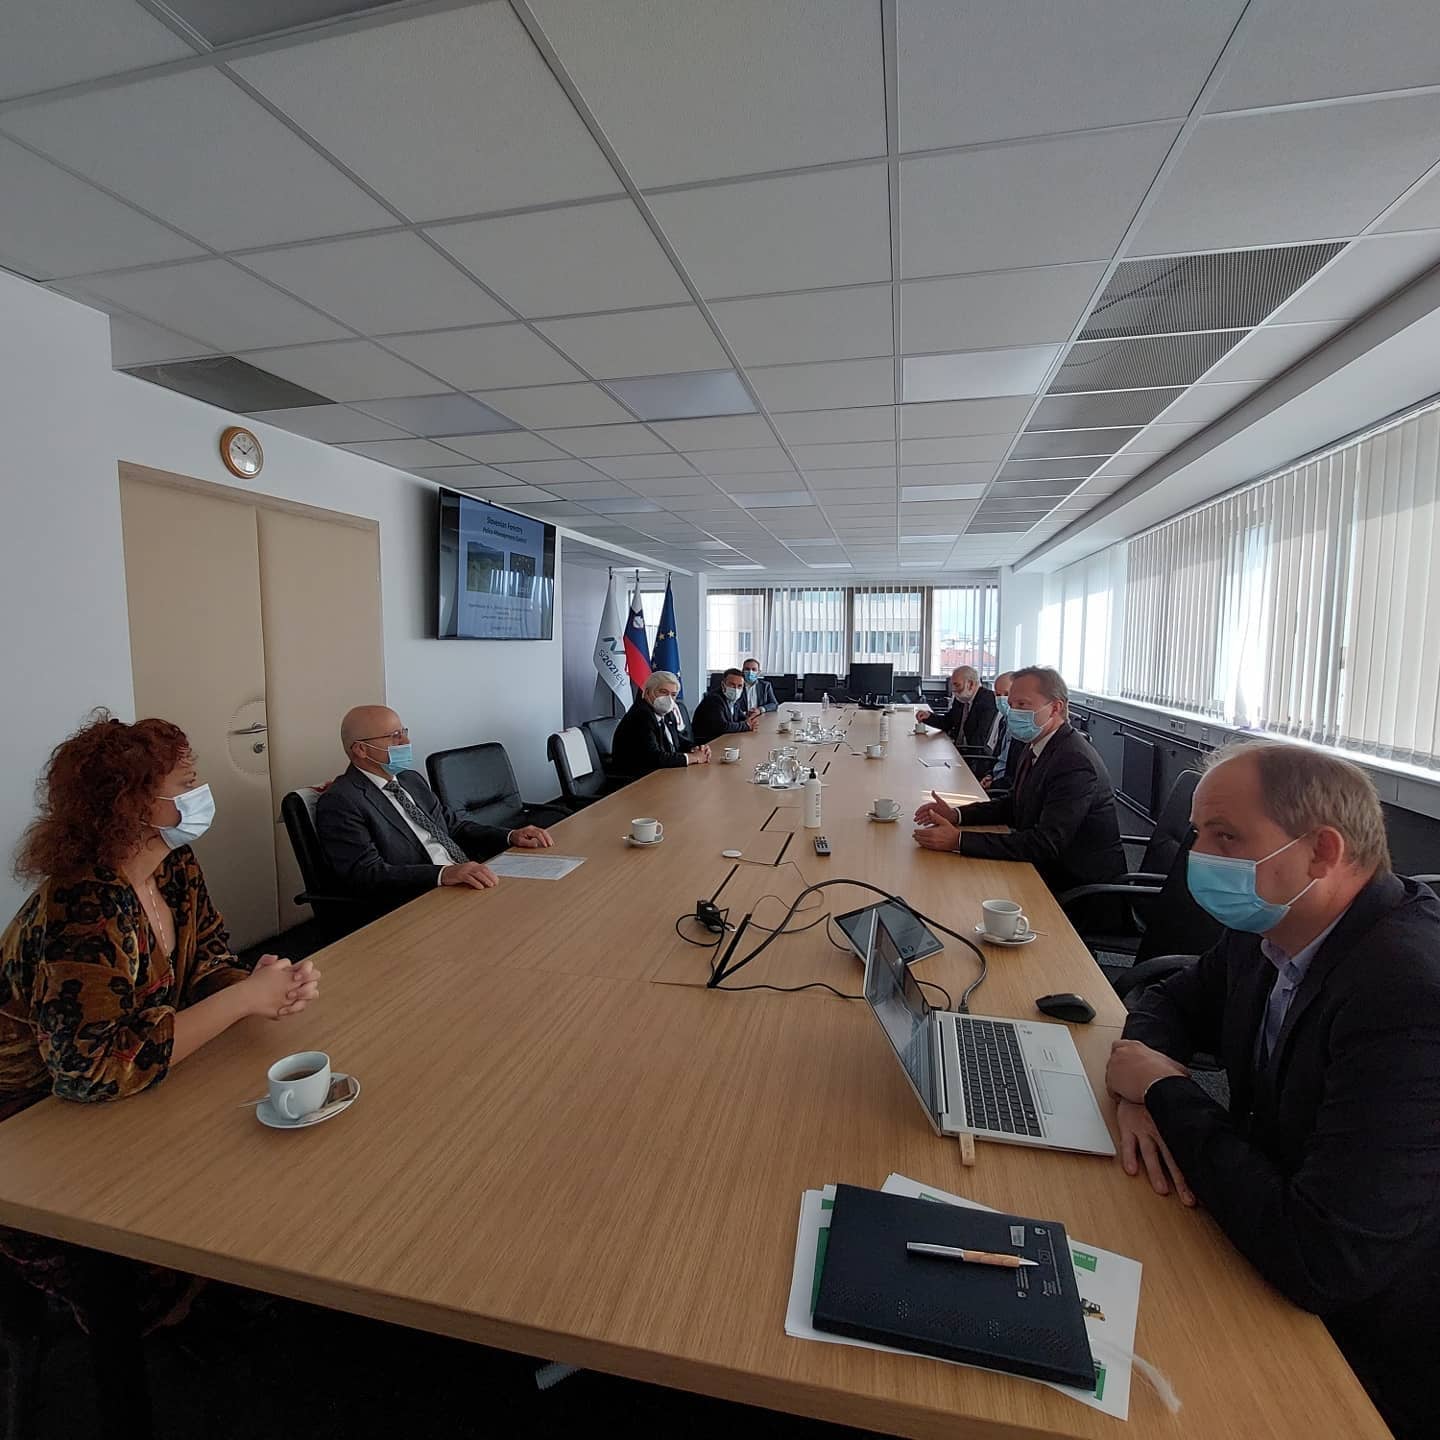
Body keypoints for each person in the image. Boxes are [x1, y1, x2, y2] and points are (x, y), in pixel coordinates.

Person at [1105, 742, 1440, 1440]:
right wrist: (1140, 1081)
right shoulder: (1275, 927)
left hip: (1364, 1351)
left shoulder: (1406, 994)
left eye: (1225, 837)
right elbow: (1171, 997)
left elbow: (1322, 1259)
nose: (1197, 856)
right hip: (1258, 1246)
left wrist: (1163, 1089)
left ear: (1322, 852)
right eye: (1198, 833)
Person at [0, 712, 321, 1327]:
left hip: (136, 1087)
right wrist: (240, 1002)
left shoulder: (173, 866)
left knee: (266, 1160)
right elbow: (90, 1073)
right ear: (130, 805)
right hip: (34, 1125)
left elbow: (209, 963)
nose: (200, 794)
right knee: (169, 1242)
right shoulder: (81, 904)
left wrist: (262, 989)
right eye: (186, 782)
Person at [315, 706, 552, 915]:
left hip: (466, 880)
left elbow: (452, 826)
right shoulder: (342, 801)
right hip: (419, 898)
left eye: (404, 732)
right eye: (395, 736)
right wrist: (442, 874)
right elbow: (366, 873)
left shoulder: (410, 779)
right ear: (361, 750)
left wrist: (510, 836)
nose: (406, 742)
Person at [912, 666, 1125, 895]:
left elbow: (1045, 844)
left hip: (1076, 889)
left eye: (1022, 705)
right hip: (1042, 869)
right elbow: (1014, 805)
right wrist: (957, 815)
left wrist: (959, 840)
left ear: (1055, 707)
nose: (1013, 712)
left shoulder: (1074, 761)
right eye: (1011, 704)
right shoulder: (1037, 745)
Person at [612, 671, 710, 775]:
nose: (669, 699)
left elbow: (677, 741)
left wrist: (696, 748)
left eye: (673, 695)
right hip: (637, 778)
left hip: (662, 773)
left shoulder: (666, 712)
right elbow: (654, 757)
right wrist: (693, 757)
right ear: (648, 692)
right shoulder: (641, 715)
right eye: (663, 692)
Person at [916, 666, 998, 750]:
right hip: (956, 747)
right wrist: (929, 717)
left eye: (957, 685)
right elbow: (948, 722)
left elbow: (979, 741)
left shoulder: (989, 701)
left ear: (970, 684)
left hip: (970, 753)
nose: (953, 689)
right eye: (952, 685)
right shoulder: (962, 697)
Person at [693, 668, 759, 744]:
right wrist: (746, 725)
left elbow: (742, 718)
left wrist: (751, 721)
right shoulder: (714, 699)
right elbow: (722, 727)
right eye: (732, 685)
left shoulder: (734, 700)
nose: (736, 689)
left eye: (739, 686)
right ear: (723, 685)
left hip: (724, 739)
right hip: (707, 743)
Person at [981, 671, 1016, 789]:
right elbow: (998, 756)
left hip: (1004, 788)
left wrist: (994, 784)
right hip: (995, 779)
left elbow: (1014, 775)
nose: (1001, 699)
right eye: (997, 694)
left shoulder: (1022, 728)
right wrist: (990, 774)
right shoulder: (1004, 720)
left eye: (1006, 694)